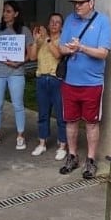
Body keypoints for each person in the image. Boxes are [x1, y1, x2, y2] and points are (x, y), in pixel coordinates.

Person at [58, 0, 111, 178]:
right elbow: (60, 48)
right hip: (70, 81)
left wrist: (81, 47)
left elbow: (103, 53)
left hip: (92, 83)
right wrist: (70, 50)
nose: (77, 7)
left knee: (91, 123)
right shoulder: (69, 20)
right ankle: (72, 156)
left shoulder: (103, 22)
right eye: (75, 3)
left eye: (81, 3)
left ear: (91, 3)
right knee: (70, 121)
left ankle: (90, 160)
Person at [0, 0, 35, 150]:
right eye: (4, 11)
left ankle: (20, 135)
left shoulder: (24, 30)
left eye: (8, 11)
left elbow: (30, 54)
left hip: (16, 72)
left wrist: (19, 63)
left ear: (16, 14)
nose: (5, 14)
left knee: (18, 104)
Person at [31, 13, 68, 158]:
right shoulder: (41, 40)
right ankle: (42, 143)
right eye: (52, 21)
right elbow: (33, 57)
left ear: (61, 26)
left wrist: (47, 39)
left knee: (60, 114)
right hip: (41, 78)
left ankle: (62, 145)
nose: (54, 24)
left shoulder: (62, 40)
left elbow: (58, 55)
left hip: (56, 80)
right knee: (43, 114)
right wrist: (35, 41)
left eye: (57, 22)